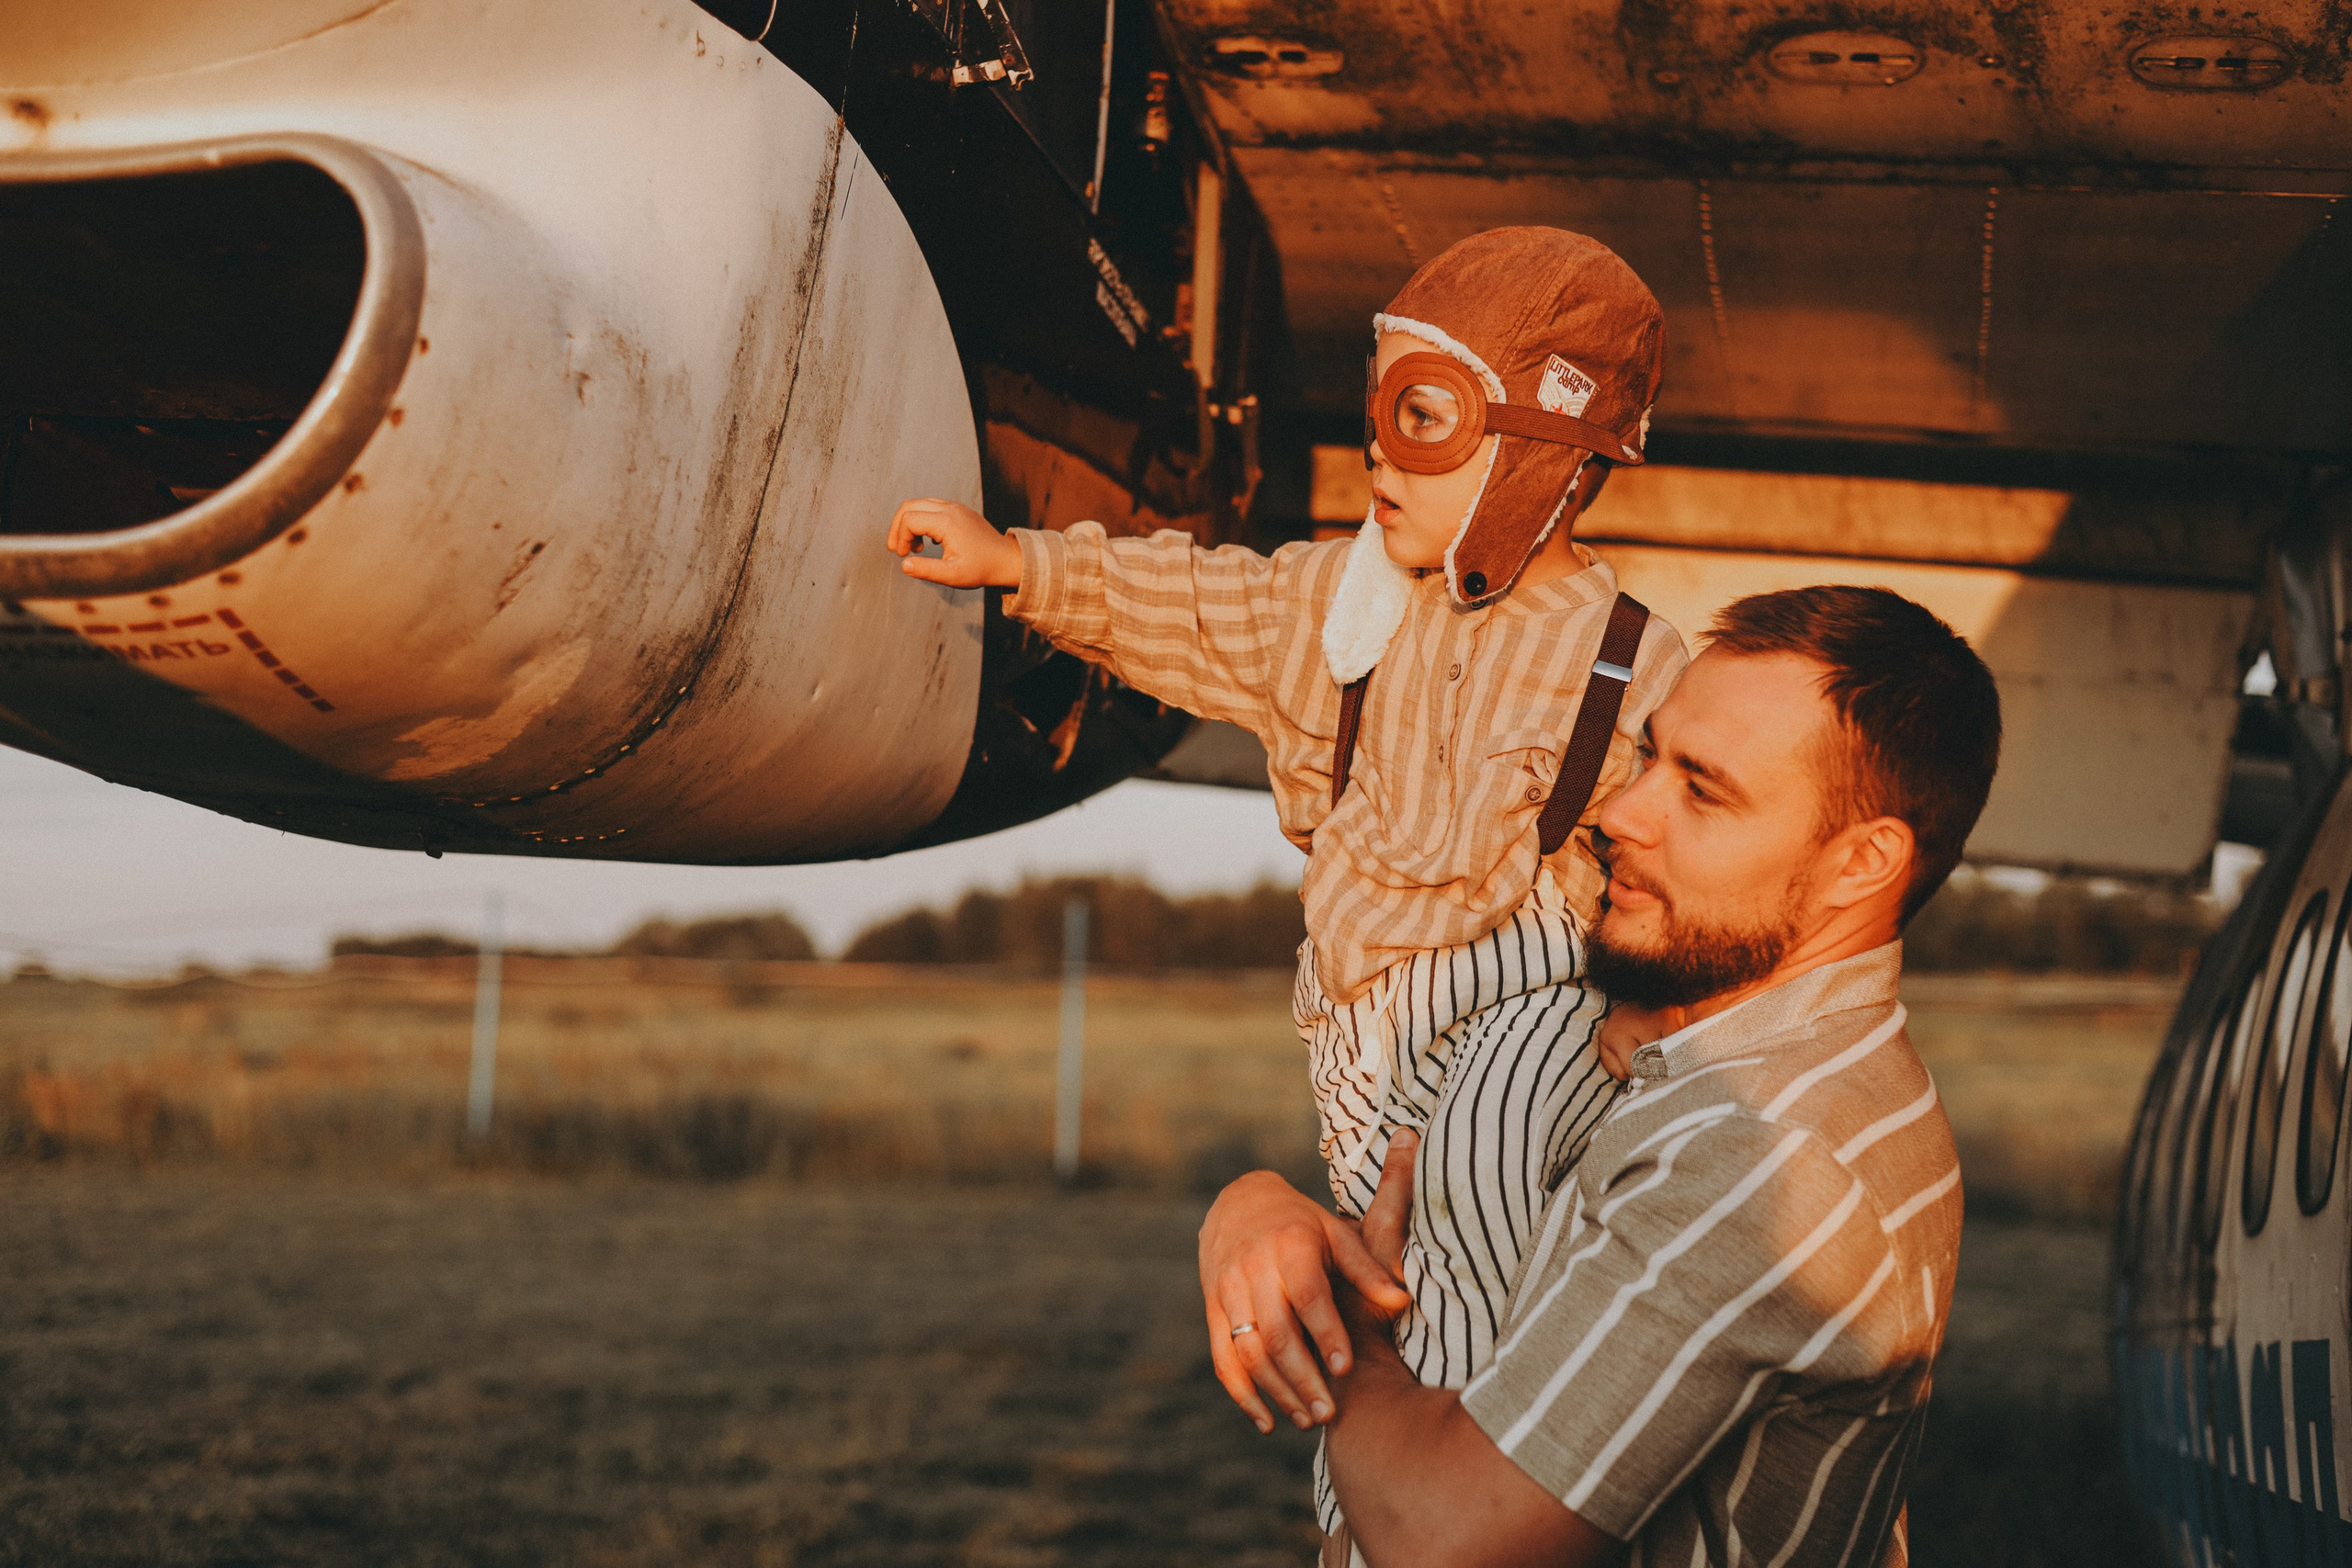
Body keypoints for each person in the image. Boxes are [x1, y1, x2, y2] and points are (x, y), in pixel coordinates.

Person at [888, 229, 1687, 1532]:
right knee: (1384, 1350)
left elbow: (1695, 895)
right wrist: (1018, 564)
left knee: (1481, 1350)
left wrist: (1649, 1037)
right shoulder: (1340, 607)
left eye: (1422, 416)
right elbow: (1194, 602)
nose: (1378, 451)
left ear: (1543, 449)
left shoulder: (1637, 668)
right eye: (1378, 409)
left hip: (1522, 1053)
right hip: (1361, 1060)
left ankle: (1467, 1518)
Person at [1296, 584, 2001, 1567]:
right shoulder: (1808, 1069)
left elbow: (1445, 1537)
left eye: (1703, 790)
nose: (1619, 812)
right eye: (1648, 754)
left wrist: (1354, 1338)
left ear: (1861, 864)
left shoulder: (1758, 1156)